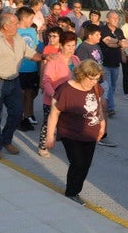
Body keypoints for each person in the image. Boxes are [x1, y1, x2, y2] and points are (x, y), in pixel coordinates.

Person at [0, 12, 50, 159]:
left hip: (14, 81)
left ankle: (6, 140)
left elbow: (30, 54)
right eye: (15, 23)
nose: (18, 25)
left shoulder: (18, 38)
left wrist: (44, 56)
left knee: (17, 113)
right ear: (5, 26)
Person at [45, 59, 106, 205]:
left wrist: (102, 123)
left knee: (86, 164)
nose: (94, 82)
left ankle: (76, 190)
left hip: (90, 131)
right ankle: (71, 192)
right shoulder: (65, 89)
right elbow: (54, 114)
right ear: (81, 75)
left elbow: (98, 106)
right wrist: (50, 135)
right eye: (91, 79)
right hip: (70, 132)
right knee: (78, 162)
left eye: (97, 79)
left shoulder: (95, 87)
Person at [38, 32, 80, 157]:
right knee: (48, 124)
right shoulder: (54, 60)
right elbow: (46, 81)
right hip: (53, 99)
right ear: (61, 45)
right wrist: (54, 95)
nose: (71, 48)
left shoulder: (76, 59)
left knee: (70, 124)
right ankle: (43, 146)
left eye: (73, 45)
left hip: (70, 99)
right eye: (68, 46)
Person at [14, 7, 44, 132]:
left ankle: (27, 116)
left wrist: (38, 65)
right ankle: (18, 118)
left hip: (31, 68)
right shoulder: (15, 31)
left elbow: (35, 48)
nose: (33, 20)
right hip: (19, 68)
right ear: (24, 18)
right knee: (19, 94)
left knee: (29, 94)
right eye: (31, 18)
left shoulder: (32, 31)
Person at [99, 10, 127, 117]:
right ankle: (110, 108)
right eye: (113, 18)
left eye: (117, 18)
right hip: (105, 63)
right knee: (109, 86)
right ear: (107, 19)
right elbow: (107, 43)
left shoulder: (119, 31)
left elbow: (125, 45)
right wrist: (119, 42)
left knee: (113, 86)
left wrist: (115, 42)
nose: (116, 20)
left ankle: (105, 102)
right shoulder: (103, 30)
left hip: (116, 63)